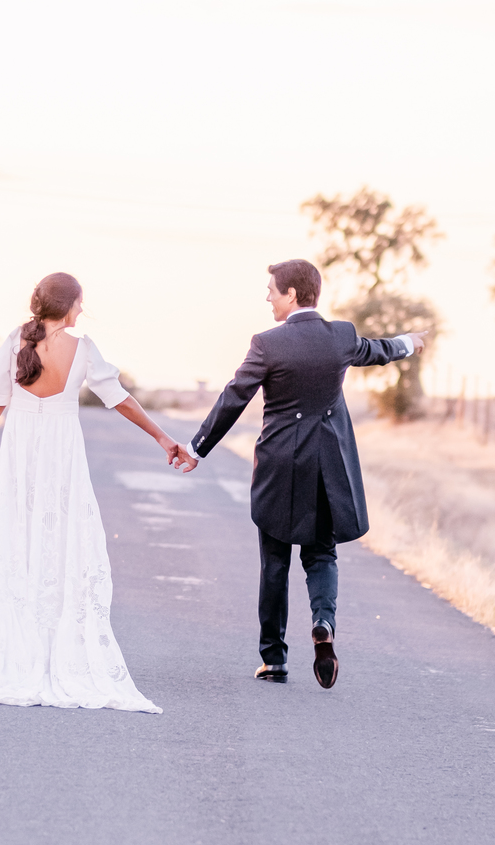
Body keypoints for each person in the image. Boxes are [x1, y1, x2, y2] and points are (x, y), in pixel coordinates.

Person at [176, 259, 424, 688]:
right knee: (321, 553)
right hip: (328, 462)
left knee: (275, 561)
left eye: (271, 289)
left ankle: (274, 660)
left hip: (280, 464)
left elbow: (234, 397)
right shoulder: (341, 336)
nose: (267, 297)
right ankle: (323, 622)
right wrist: (409, 342)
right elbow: (378, 350)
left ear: (292, 294)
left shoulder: (267, 343)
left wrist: (198, 448)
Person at [0, 272, 189, 712]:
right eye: (80, 304)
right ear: (67, 306)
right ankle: (55, 649)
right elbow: (119, 398)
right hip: (62, 452)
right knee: (62, 538)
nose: (82, 311)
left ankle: (20, 652)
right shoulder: (83, 348)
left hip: (21, 449)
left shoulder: (14, 342)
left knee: (19, 535)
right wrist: (162, 438)